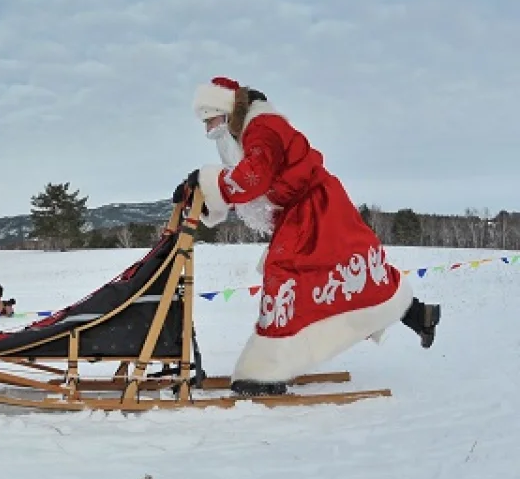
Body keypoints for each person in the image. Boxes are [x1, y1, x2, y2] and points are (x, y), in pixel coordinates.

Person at [173, 76, 441, 396]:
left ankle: (267, 370)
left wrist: (207, 182)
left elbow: (254, 178)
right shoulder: (248, 131)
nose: (208, 129)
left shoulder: (263, 128)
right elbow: (255, 185)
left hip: (315, 208)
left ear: (226, 110)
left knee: (286, 274)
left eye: (210, 119)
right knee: (353, 272)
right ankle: (421, 314)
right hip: (312, 206)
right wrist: (207, 192)